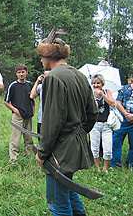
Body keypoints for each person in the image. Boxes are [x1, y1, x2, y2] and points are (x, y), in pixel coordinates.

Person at [35, 37, 98, 215]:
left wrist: (42, 153)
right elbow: (93, 113)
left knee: (57, 202)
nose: (40, 60)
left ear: (48, 55)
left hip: (59, 151)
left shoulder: (53, 78)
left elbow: (51, 122)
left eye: (41, 56)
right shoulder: (79, 75)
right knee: (69, 190)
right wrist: (78, 133)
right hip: (75, 145)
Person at [4, 64, 35, 163]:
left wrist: (33, 109)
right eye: (19, 72)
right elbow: (6, 102)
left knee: (28, 138)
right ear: (16, 74)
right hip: (18, 116)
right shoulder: (13, 86)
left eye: (23, 72)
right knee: (15, 139)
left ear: (26, 72)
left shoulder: (30, 85)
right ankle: (13, 159)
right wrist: (15, 110)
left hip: (28, 115)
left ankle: (28, 156)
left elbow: (32, 98)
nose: (21, 74)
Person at [89, 74, 115, 173]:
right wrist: (93, 105)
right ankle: (97, 167)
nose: (96, 85)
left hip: (106, 124)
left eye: (98, 83)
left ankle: (105, 167)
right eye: (94, 83)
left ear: (102, 84)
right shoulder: (90, 94)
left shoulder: (107, 92)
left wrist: (102, 95)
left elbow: (112, 103)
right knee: (94, 147)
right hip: (95, 124)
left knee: (107, 148)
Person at [30, 70, 50, 141]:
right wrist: (37, 81)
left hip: (51, 118)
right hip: (41, 118)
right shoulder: (40, 87)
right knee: (40, 138)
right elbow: (32, 96)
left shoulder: (56, 86)